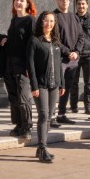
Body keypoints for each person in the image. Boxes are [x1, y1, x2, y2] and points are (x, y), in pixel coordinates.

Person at [27, 11, 65, 162]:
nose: (48, 24)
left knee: (49, 116)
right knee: (43, 115)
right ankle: (43, 148)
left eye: (51, 21)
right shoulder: (35, 40)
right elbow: (30, 65)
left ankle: (42, 146)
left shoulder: (55, 41)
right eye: (46, 21)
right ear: (41, 22)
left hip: (54, 85)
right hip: (41, 84)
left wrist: (62, 83)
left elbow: (59, 64)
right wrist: (34, 86)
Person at [3, 0, 36, 140]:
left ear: (27, 4)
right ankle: (18, 124)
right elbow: (15, 40)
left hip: (23, 64)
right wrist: (5, 40)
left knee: (23, 97)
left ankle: (27, 126)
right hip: (10, 63)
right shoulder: (14, 20)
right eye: (17, 0)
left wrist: (31, 67)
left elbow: (33, 45)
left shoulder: (31, 20)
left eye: (22, 1)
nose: (18, 3)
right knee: (13, 96)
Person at [53, 0, 85, 126]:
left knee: (66, 87)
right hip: (60, 59)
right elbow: (54, 39)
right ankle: (51, 116)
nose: (64, 1)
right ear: (56, 0)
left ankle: (61, 114)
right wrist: (68, 52)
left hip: (74, 59)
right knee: (56, 88)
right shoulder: (53, 16)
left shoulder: (74, 17)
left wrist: (77, 52)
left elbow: (81, 37)